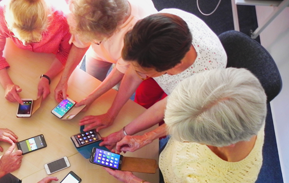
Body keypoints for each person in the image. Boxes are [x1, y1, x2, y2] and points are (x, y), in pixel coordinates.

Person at [104, 68, 266, 183]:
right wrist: (146, 137)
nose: (180, 139)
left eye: (190, 137)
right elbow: (187, 118)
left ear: (222, 143)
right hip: (169, 164)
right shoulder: (245, 107)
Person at [81, 9, 226, 132]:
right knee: (140, 103)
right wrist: (111, 114)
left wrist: (134, 135)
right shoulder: (154, 27)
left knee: (163, 121)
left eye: (141, 72)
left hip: (191, 86)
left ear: (172, 67)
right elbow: (132, 75)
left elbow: (168, 113)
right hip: (158, 64)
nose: (135, 72)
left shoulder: (205, 78)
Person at [54, 0, 157, 106]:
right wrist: (64, 80)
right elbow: (79, 46)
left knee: (120, 89)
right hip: (100, 53)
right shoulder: (85, 10)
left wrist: (91, 98)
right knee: (90, 83)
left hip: (132, 58)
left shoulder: (139, 30)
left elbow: (121, 69)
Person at [0, 0, 72, 103]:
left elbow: (67, 53)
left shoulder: (63, 20)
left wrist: (47, 77)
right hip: (22, 63)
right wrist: (7, 84)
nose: (26, 43)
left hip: (48, 62)